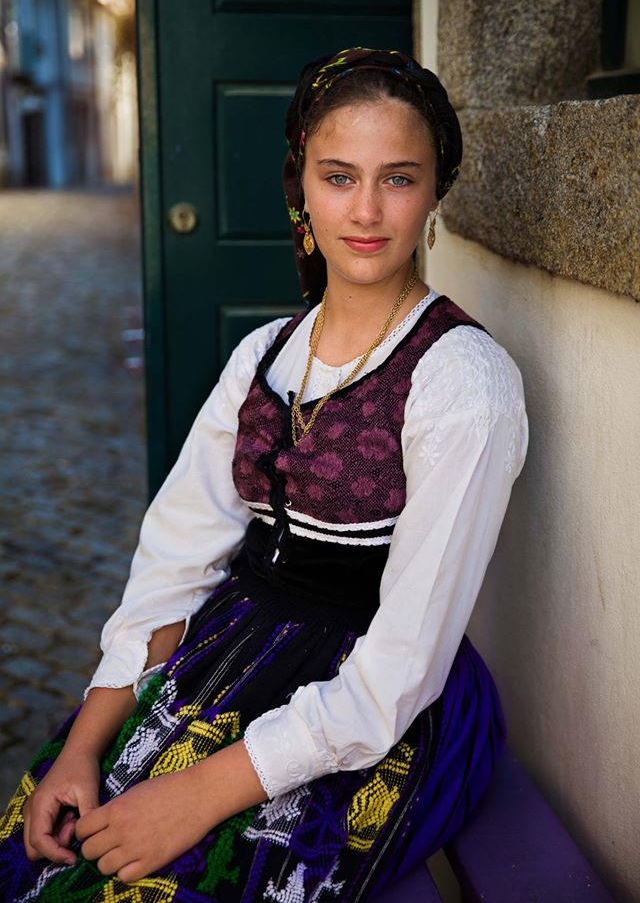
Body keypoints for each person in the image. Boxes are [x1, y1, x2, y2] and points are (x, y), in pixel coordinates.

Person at [0, 46, 529, 901]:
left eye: (398, 178)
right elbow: (176, 558)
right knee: (52, 855)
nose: (364, 210)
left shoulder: (463, 383)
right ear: (301, 187)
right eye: (337, 175)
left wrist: (197, 795)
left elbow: (400, 668)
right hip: (234, 650)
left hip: (374, 711)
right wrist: (84, 744)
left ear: (436, 192)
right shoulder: (266, 354)